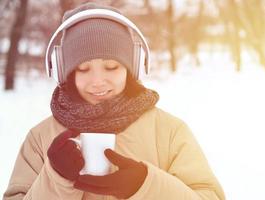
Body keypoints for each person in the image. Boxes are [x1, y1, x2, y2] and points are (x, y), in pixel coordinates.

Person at [3, 3, 225, 200]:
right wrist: (55, 180)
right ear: (65, 72)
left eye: (112, 67)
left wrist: (147, 187)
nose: (97, 81)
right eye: (83, 68)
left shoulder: (169, 132)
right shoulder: (39, 139)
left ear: (133, 67)